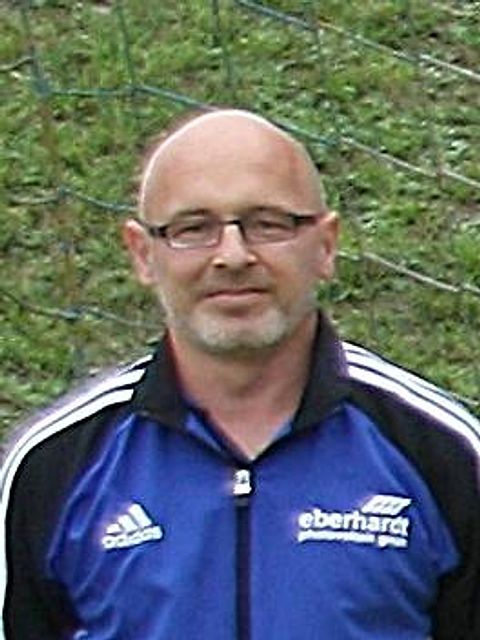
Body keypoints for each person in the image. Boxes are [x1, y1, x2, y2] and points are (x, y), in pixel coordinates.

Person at [1, 108, 479, 640]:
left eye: (268, 224)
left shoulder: (442, 453)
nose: (232, 256)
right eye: (193, 229)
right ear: (142, 254)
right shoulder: (56, 465)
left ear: (326, 245)